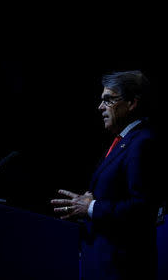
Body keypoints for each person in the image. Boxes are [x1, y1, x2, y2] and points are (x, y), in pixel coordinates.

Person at [51, 70, 161, 280]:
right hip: (103, 264)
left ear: (131, 103)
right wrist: (85, 203)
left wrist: (91, 207)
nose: (100, 107)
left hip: (123, 269)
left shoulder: (142, 143)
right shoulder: (123, 141)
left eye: (108, 100)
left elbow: (143, 208)